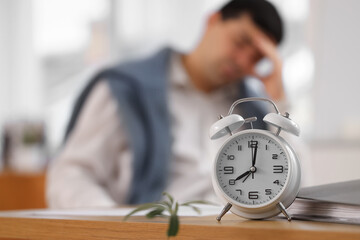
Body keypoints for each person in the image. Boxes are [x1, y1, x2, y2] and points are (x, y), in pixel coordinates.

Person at [47, 0, 287, 208]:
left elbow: (290, 186)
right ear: (213, 20)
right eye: (240, 41)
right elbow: (69, 177)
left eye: (258, 58)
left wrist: (278, 98)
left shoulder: (253, 112)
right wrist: (118, 225)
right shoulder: (126, 90)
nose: (243, 60)